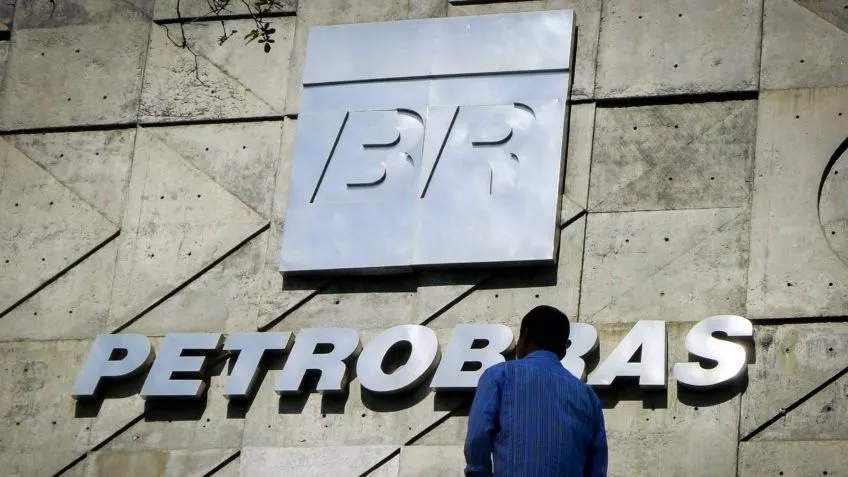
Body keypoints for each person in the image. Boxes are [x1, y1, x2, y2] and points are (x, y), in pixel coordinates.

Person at [464, 305, 608, 477]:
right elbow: (597, 467)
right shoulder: (588, 397)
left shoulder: (500, 375)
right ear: (564, 348)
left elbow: (478, 436)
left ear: (525, 336)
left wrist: (478, 471)